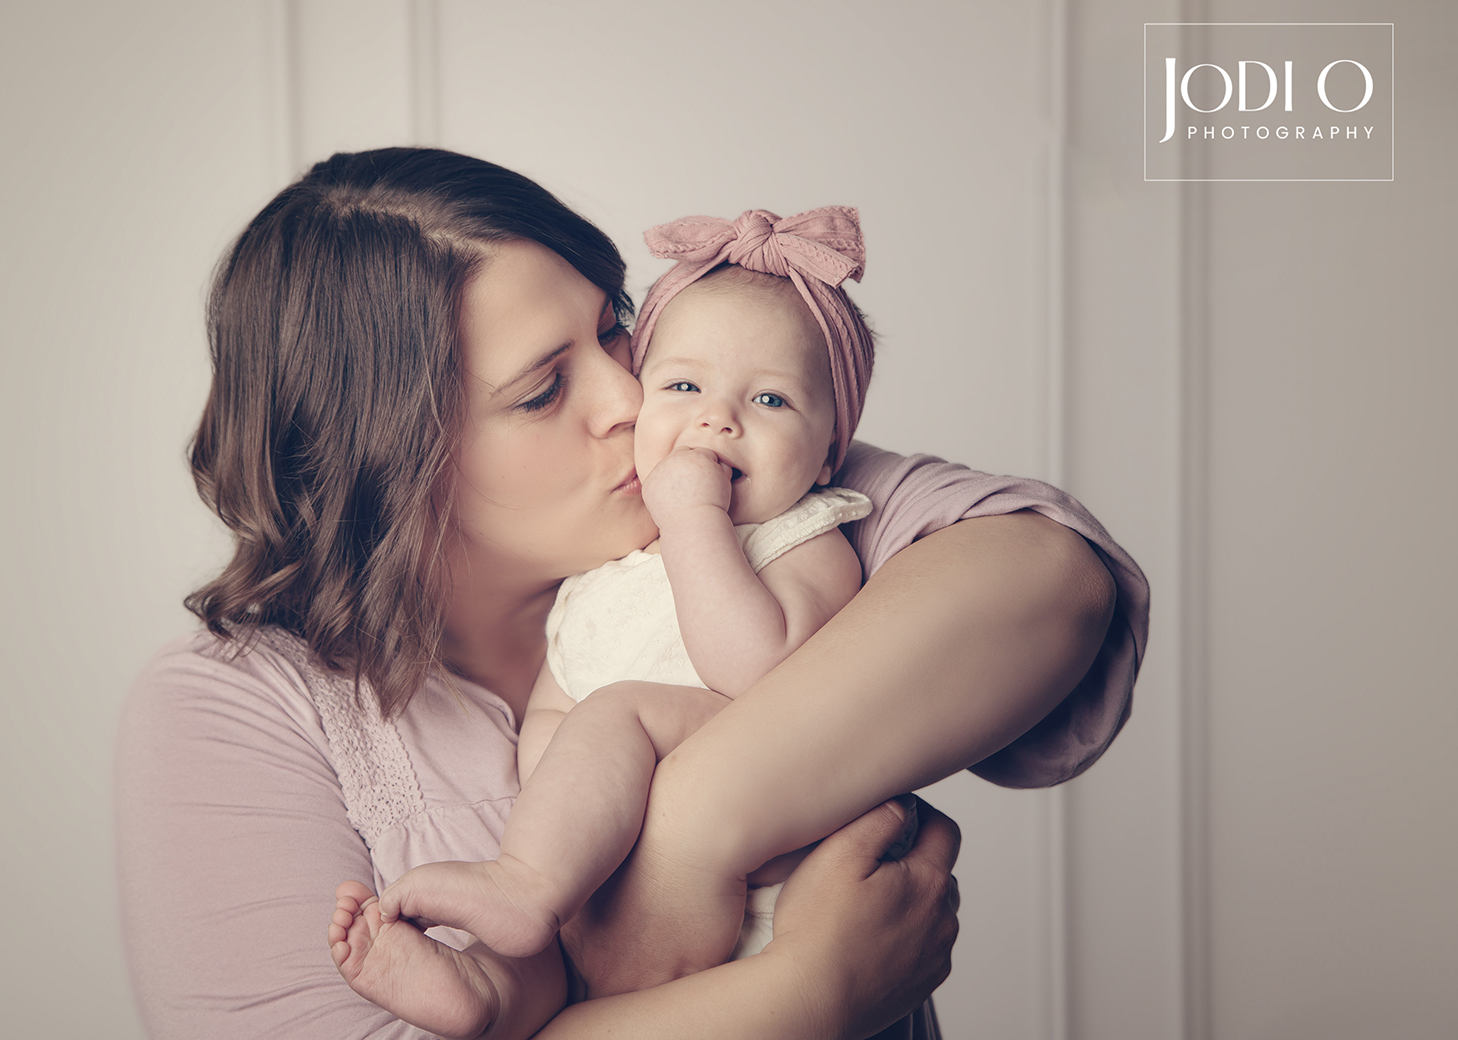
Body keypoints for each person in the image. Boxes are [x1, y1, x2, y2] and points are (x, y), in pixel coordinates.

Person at [116, 147, 1149, 1040]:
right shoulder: (232, 713)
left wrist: (699, 824)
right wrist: (804, 992)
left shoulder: (741, 484)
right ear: (382, 462)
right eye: (542, 390)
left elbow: (1049, 577)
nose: (631, 398)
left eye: (614, 330)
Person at [329, 206, 1004, 1038]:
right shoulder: (610, 560)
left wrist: (694, 521)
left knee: (610, 732)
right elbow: (560, 702)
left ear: (830, 452)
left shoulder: (806, 540)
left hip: (768, 880)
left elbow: (755, 673)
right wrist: (566, 809)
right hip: (612, 874)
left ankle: (523, 886)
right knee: (539, 945)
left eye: (770, 399)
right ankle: (485, 992)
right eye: (682, 387)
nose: (718, 420)